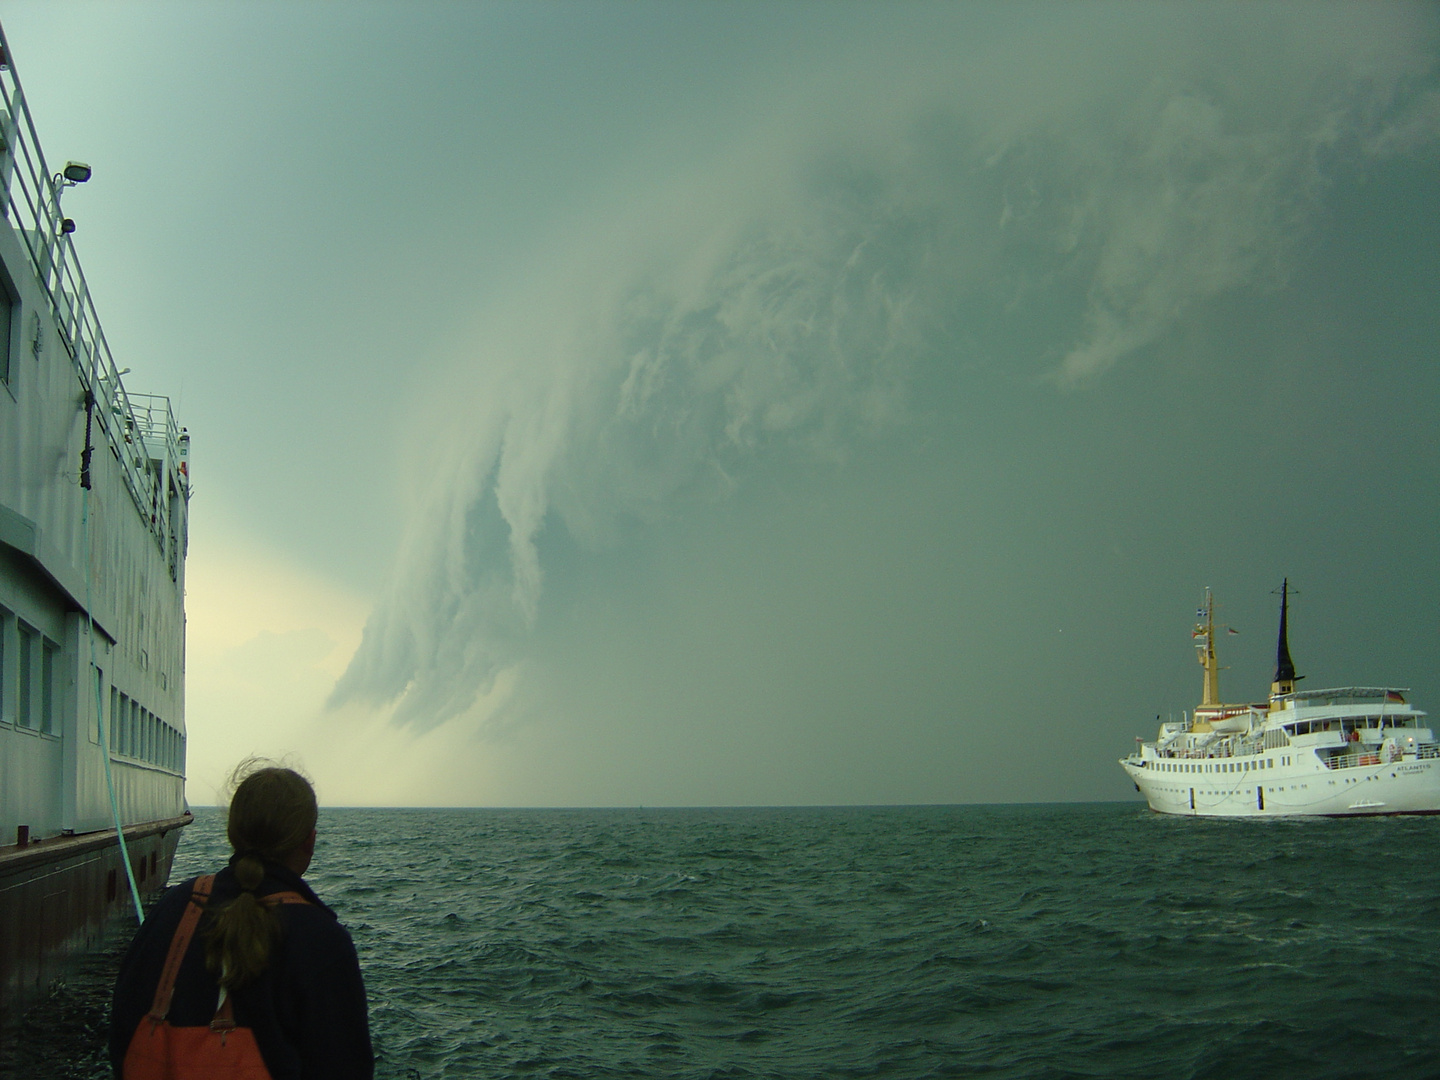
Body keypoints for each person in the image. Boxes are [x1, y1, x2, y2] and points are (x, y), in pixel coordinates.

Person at [110, 761, 374, 1079]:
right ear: (309, 840)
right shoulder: (321, 940)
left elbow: (124, 1028)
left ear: (233, 833)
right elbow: (344, 1067)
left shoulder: (176, 905)